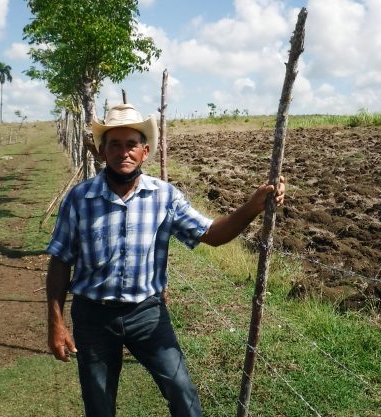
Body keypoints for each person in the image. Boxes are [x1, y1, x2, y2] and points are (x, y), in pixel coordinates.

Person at [45, 103, 285, 417]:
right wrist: (56, 323)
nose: (123, 152)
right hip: (93, 316)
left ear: (145, 152)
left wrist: (252, 207)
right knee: (99, 404)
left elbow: (212, 234)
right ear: (102, 152)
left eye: (131, 144)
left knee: (182, 392)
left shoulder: (164, 197)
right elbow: (60, 261)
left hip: (147, 314)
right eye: (114, 144)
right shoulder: (79, 199)